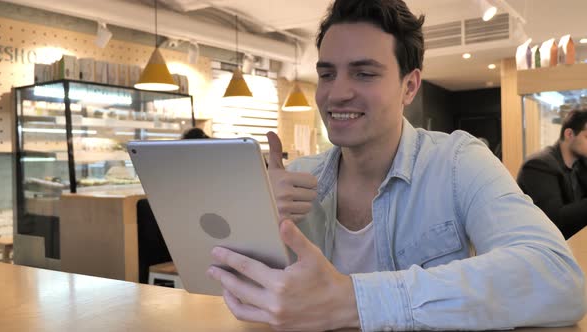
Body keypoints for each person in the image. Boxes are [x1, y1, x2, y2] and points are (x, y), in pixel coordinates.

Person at [205, 0, 586, 331]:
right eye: (326, 73)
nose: (337, 92)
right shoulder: (298, 176)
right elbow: (243, 298)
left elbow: (557, 278)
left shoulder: (457, 162)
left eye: (364, 73)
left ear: (410, 86)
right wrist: (255, 223)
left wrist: (351, 301)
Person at [517, 109, 587, 239]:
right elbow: (555, 219)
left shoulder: (580, 164)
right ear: (569, 134)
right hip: (543, 250)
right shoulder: (538, 165)